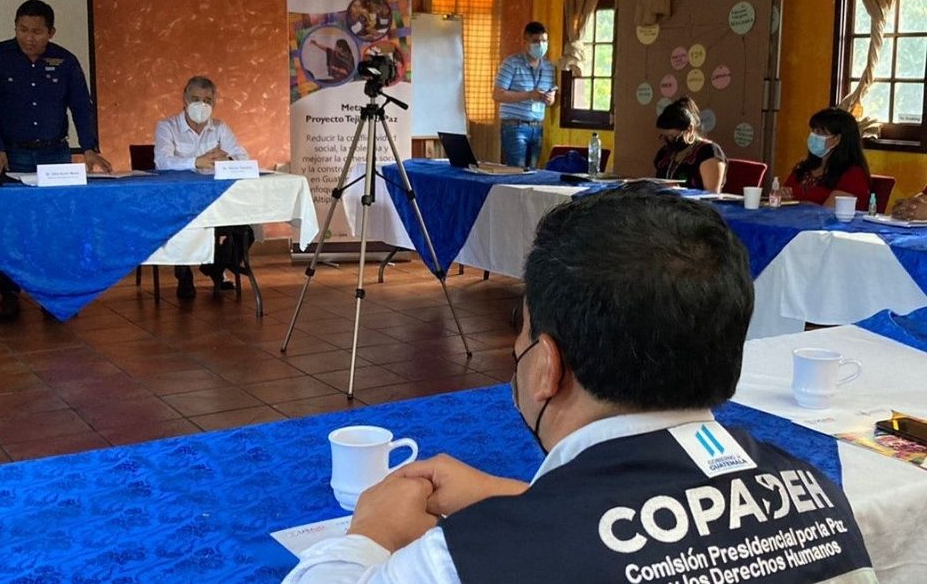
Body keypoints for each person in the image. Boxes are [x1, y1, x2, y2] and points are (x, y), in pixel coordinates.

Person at [285, 183, 877, 583]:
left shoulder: (477, 558)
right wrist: (521, 497)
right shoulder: (821, 495)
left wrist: (371, 533)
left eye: (518, 337)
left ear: (546, 365)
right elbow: (661, 529)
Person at [0, 0, 113, 322]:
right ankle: (9, 292)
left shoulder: (65, 61)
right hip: (12, 152)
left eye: (36, 31)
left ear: (51, 32)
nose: (29, 37)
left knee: (56, 223)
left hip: (55, 153)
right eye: (22, 30)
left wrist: (88, 147)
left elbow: (82, 107)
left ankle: (55, 294)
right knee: (14, 224)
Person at [154, 76, 250, 299]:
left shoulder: (219, 128)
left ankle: (216, 267)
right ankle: (183, 271)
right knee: (185, 224)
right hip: (179, 198)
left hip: (215, 197)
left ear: (214, 103)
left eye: (207, 100)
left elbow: (242, 156)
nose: (201, 104)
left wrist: (228, 161)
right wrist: (197, 162)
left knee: (246, 229)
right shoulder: (167, 127)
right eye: (196, 98)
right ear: (185, 99)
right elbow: (163, 161)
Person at [493, 21, 556, 168]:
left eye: (544, 41)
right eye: (535, 41)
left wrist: (550, 99)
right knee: (517, 173)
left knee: (533, 174)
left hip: (537, 127)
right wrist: (528, 95)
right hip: (515, 127)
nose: (540, 45)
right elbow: (497, 95)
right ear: (525, 42)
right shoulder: (511, 63)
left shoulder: (548, 67)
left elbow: (551, 99)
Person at [782, 107, 870, 210]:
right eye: (813, 131)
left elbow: (828, 214)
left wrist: (796, 204)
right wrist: (780, 197)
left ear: (837, 139)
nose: (813, 136)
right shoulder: (803, 168)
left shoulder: (853, 175)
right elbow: (785, 200)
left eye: (819, 132)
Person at [654, 96, 726, 191]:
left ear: (690, 129)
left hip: (694, 205)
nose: (669, 140)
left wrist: (680, 191)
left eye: (672, 136)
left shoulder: (708, 153)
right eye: (665, 136)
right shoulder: (665, 153)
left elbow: (711, 196)